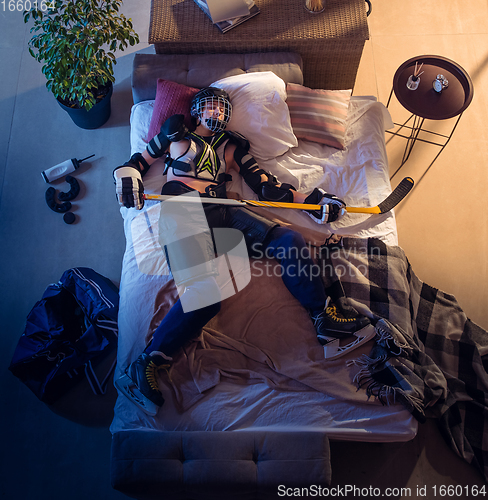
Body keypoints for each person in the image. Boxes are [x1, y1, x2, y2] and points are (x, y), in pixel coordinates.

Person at [113, 87, 372, 415]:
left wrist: (315, 203)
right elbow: (135, 163)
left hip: (224, 209)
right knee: (205, 295)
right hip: (182, 210)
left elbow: (268, 186)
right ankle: (145, 365)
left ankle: (325, 320)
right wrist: (128, 181)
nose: (218, 114)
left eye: (224, 109)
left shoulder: (232, 147)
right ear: (196, 109)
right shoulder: (175, 133)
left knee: (288, 239)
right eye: (211, 106)